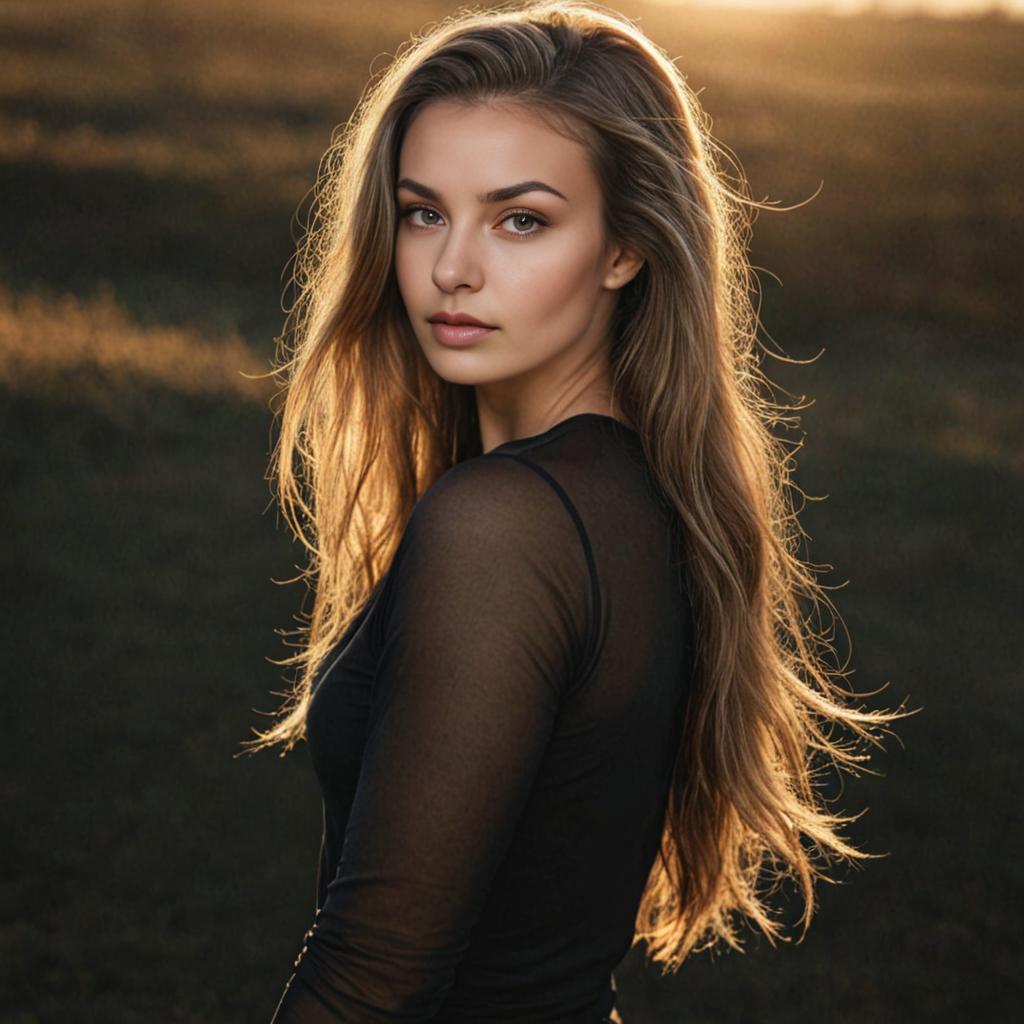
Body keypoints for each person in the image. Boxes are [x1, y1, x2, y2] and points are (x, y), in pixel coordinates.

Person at [241, 2, 906, 1021]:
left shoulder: (506, 525)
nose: (452, 268)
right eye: (424, 211)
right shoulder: (641, 494)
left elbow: (371, 980)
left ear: (625, 247)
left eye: (521, 219)